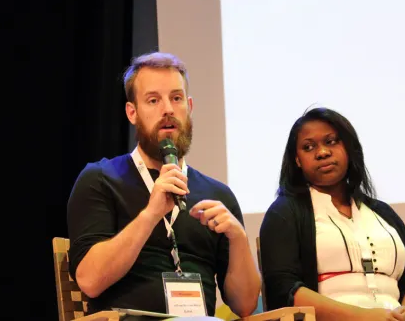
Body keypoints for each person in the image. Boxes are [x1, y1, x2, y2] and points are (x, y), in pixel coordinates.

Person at [67, 52, 261, 317]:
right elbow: (89, 280)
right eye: (153, 100)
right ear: (132, 112)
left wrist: (238, 238)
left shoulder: (218, 195)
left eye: (176, 98)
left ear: (189, 107)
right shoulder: (101, 179)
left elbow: (246, 305)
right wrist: (151, 214)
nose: (168, 109)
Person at [259, 107, 405, 321]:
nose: (322, 152)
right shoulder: (285, 212)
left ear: (349, 149)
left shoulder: (383, 213)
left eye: (331, 141)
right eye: (308, 147)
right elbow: (284, 289)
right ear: (297, 161)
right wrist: (364, 317)